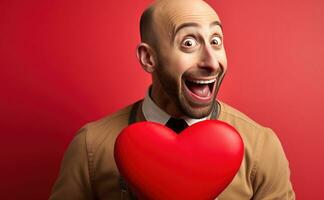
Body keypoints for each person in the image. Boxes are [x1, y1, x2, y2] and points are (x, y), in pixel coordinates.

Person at [49, 0, 295, 199]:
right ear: (148, 58)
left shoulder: (262, 146)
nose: (211, 62)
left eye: (215, 41)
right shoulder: (90, 146)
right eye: (189, 43)